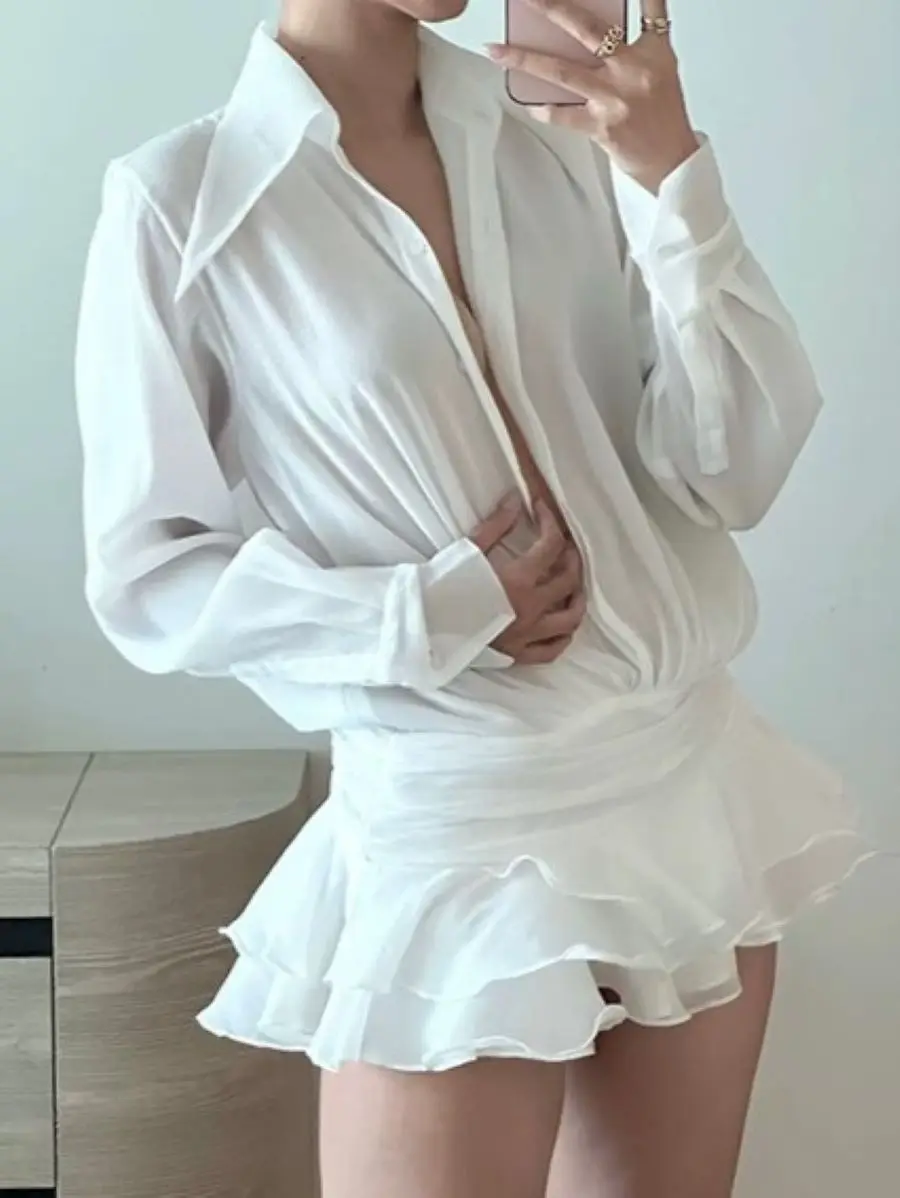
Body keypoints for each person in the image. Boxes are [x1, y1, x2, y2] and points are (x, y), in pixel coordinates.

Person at [74, 0, 869, 1194]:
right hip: (457, 838)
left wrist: (670, 173)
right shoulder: (184, 203)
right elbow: (149, 570)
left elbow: (729, 472)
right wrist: (423, 613)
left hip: (686, 794)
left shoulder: (555, 127)